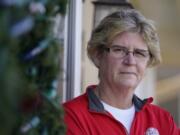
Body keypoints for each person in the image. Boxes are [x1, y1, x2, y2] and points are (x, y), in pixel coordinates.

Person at [63, 8, 180, 135]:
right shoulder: (70, 117)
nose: (130, 61)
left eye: (140, 53)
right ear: (98, 55)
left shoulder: (162, 120)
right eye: (119, 50)